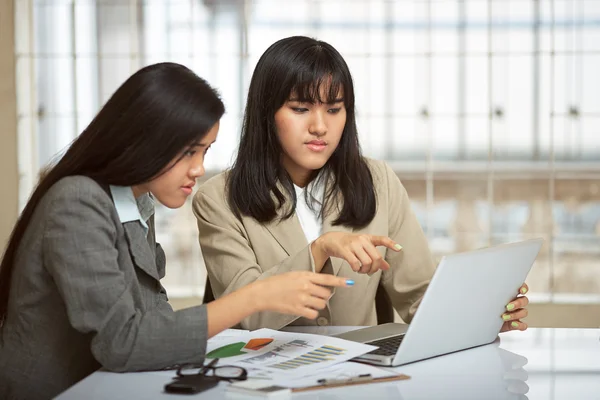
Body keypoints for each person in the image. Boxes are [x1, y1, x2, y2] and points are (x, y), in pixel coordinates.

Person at [0, 62, 352, 400]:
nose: (199, 169)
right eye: (188, 152)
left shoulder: (137, 203)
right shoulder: (77, 201)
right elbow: (123, 343)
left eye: (205, 151)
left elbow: (153, 322)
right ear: (145, 141)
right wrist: (256, 296)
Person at [193, 36, 529, 331]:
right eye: (300, 108)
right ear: (267, 114)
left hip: (360, 377)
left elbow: (417, 296)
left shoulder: (378, 181)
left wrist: (486, 313)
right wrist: (318, 249)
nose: (320, 127)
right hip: (265, 381)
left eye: (335, 109)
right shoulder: (218, 199)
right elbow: (245, 313)